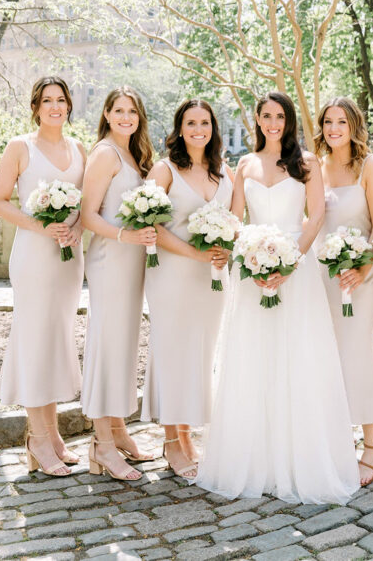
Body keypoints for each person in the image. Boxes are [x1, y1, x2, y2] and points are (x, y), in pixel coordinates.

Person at [196, 92, 358, 504]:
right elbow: (236, 219)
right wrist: (238, 252)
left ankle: (298, 460)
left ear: (288, 121)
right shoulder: (245, 165)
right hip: (252, 271)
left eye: (280, 116)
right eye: (266, 116)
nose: (273, 123)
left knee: (297, 358)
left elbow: (316, 214)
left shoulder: (306, 163)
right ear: (257, 119)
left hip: (295, 271)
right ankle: (255, 461)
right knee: (254, 358)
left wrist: (289, 262)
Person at [0, 77, 86, 476]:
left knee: (56, 338)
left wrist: (77, 226)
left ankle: (53, 435)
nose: (54, 106)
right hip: (33, 255)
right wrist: (39, 225)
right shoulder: (20, 147)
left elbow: (86, 204)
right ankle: (36, 438)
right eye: (47, 100)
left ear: (68, 105)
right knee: (34, 340)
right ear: (35, 106)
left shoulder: (79, 149)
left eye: (61, 100)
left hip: (69, 257)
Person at [142, 100, 234, 480]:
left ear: (214, 127)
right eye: (191, 123)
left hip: (212, 278)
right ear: (180, 128)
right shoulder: (165, 171)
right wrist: (194, 253)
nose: (199, 129)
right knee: (172, 352)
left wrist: (224, 248)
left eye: (205, 122)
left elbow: (236, 220)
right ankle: (170, 440)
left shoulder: (224, 172)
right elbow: (148, 223)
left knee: (199, 353)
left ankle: (186, 434)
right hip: (173, 274)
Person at [314, 97, 373, 486]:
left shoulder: (370, 166)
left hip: (362, 275)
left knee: (358, 350)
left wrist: (361, 268)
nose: (333, 129)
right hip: (323, 275)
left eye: (341, 121)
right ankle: (337, 439)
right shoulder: (314, 166)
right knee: (328, 354)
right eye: (328, 122)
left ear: (354, 124)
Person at [80, 86, 157, 481]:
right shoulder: (104, 153)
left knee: (124, 346)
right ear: (107, 115)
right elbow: (88, 215)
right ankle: (101, 445)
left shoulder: (135, 155)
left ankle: (118, 430)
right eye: (119, 110)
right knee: (106, 346)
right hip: (111, 259)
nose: (126, 117)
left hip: (133, 263)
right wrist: (126, 237)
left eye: (132, 111)